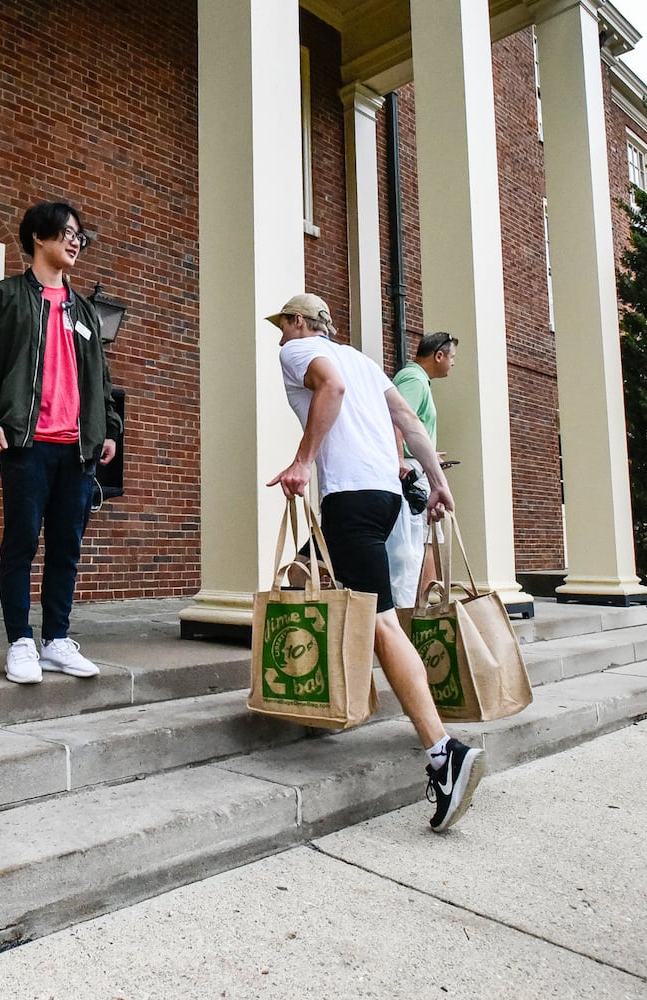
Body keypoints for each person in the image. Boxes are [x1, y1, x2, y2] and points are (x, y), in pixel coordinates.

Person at [265, 293, 485, 832]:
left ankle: (443, 752)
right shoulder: (362, 360)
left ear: (301, 322)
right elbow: (408, 419)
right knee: (317, 577)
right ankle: (318, 696)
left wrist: (301, 462)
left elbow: (330, 388)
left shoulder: (301, 353)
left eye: (283, 325)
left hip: (351, 497)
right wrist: (437, 481)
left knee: (383, 622)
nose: (279, 336)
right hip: (384, 498)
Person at [0, 202, 120, 685]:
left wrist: (107, 428)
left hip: (78, 449)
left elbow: (100, 380)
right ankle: (20, 642)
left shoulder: (84, 309)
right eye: (67, 233)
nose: (75, 242)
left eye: (79, 236)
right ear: (38, 238)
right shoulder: (3, 297)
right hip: (27, 443)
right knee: (21, 544)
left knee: (67, 547)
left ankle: (57, 640)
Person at [389, 331, 458, 609]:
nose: (453, 363)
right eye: (452, 357)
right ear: (438, 355)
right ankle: (421, 611)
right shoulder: (413, 379)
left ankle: (425, 607)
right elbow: (396, 417)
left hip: (417, 467)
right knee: (422, 540)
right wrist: (400, 459)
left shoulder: (418, 380)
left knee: (428, 539)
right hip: (412, 474)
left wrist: (427, 453)